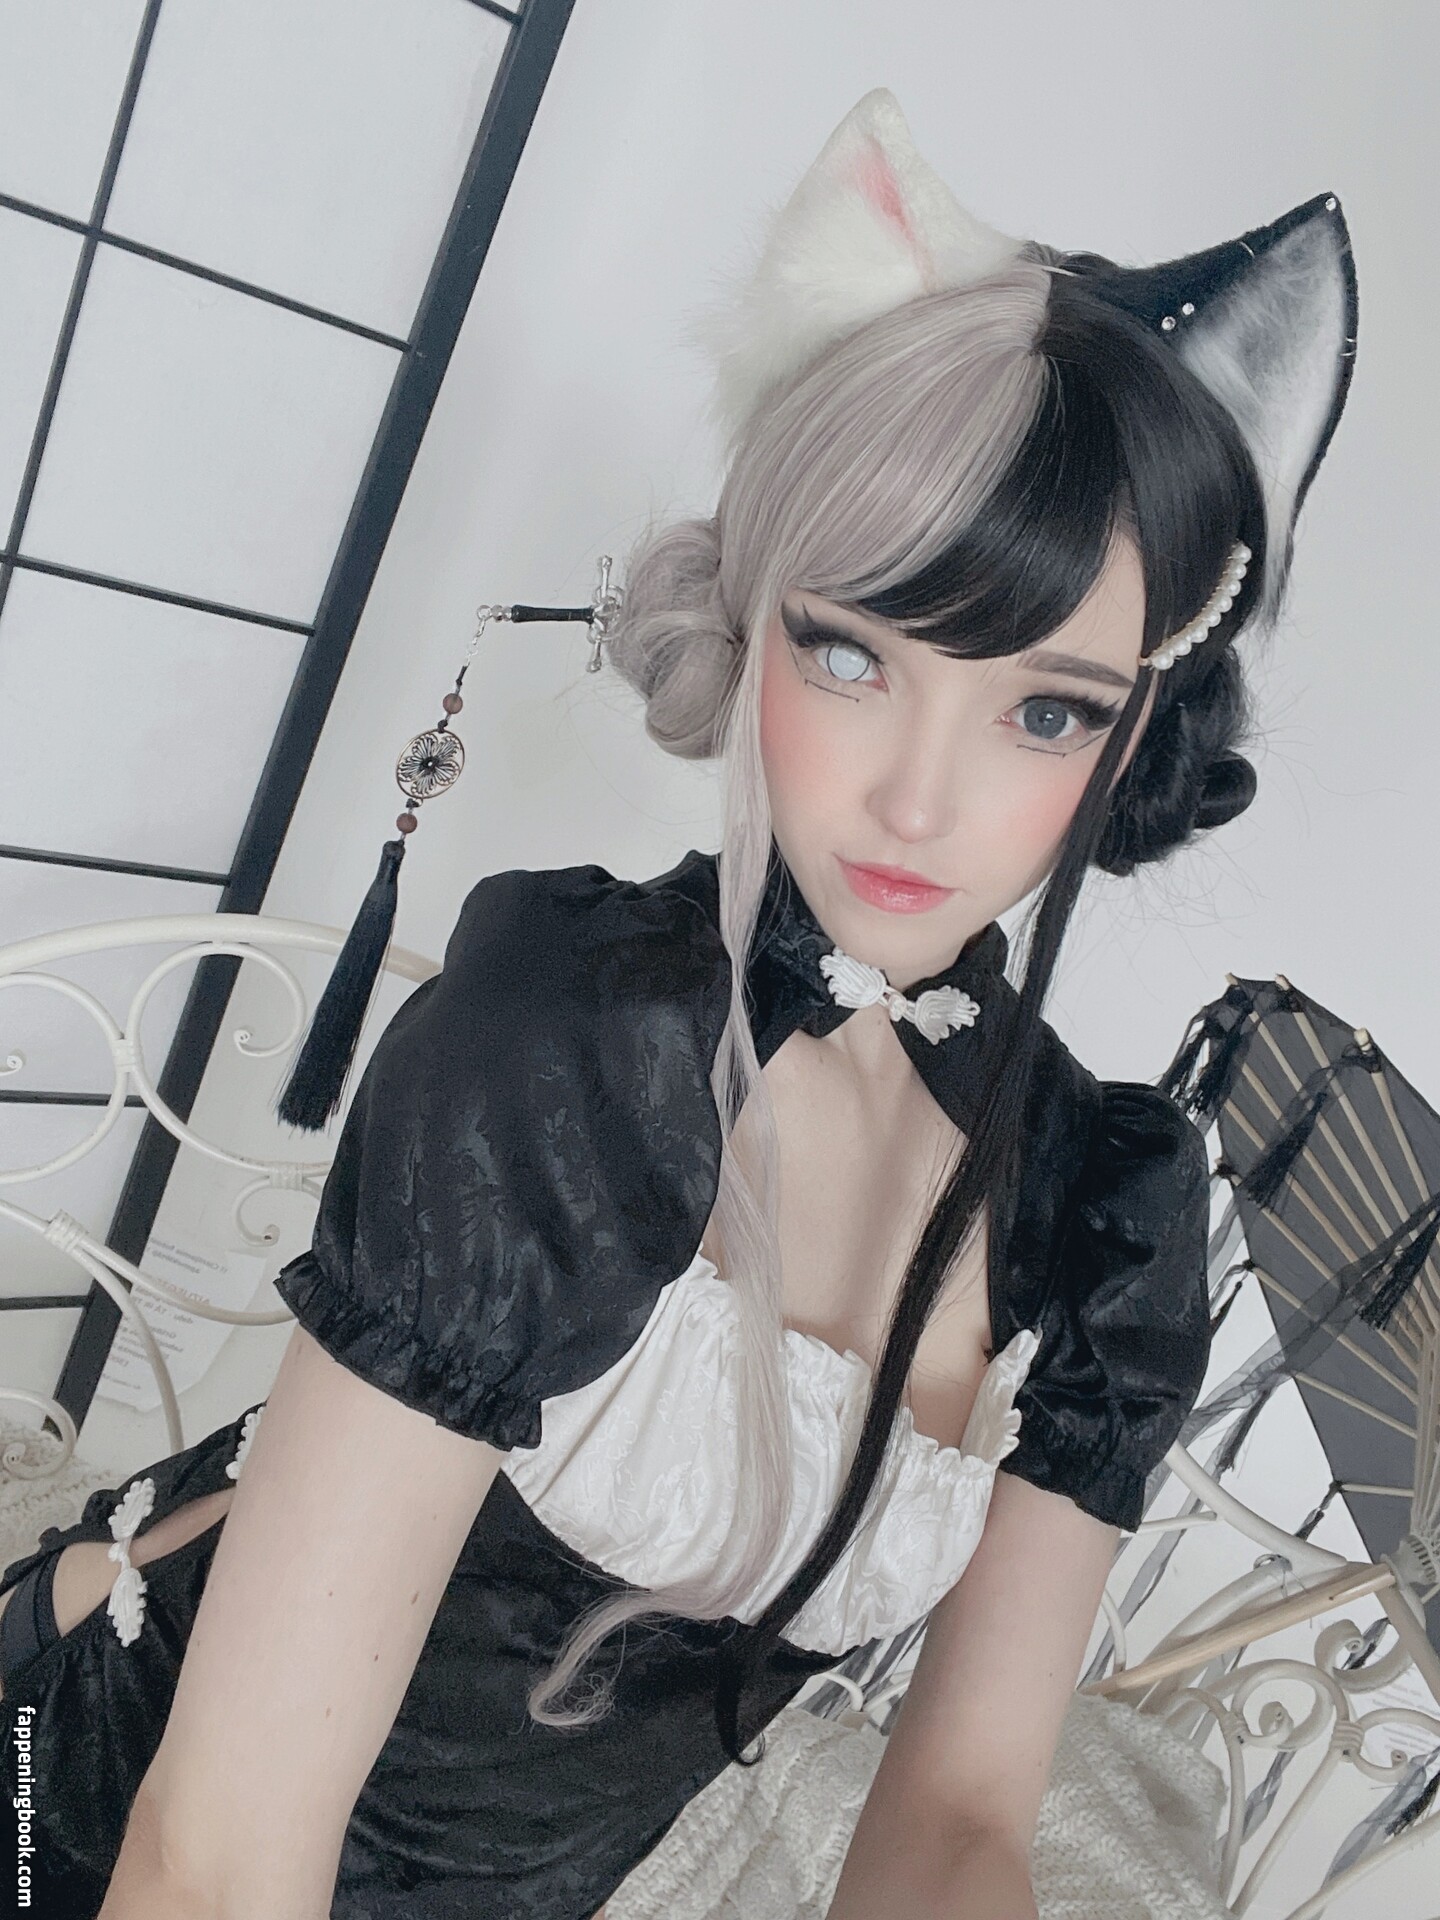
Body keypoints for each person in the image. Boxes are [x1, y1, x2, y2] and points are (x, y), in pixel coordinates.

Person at [0, 90, 1356, 1920]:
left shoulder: (1097, 1211)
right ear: (753, 616)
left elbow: (962, 1818)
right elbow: (220, 1850)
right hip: (109, 1809)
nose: (921, 803)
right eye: (853, 653)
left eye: (1044, 710)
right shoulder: (568, 1055)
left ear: (1139, 732)